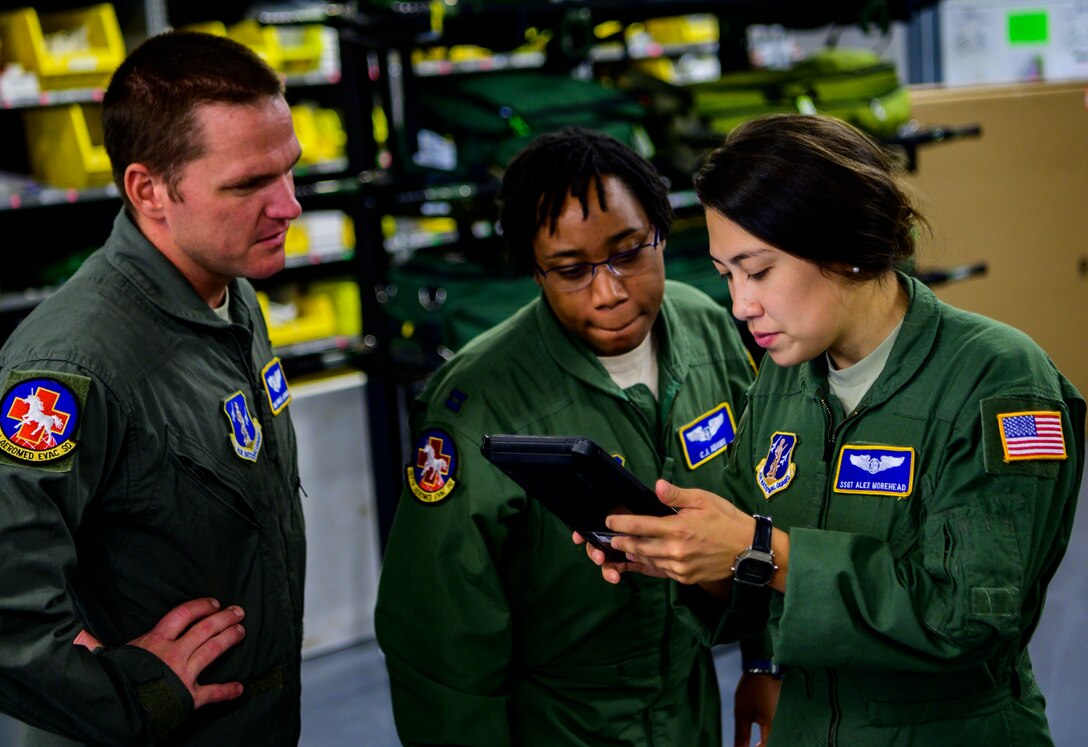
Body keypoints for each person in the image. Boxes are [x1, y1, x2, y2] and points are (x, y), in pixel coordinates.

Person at [580, 113, 1085, 746]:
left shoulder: (1000, 379)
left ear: (841, 248)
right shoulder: (785, 376)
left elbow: (970, 621)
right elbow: (752, 568)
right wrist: (682, 555)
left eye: (758, 271)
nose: (740, 305)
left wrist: (764, 551)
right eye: (725, 275)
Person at [375, 126, 776, 746]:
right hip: (560, 724)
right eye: (571, 270)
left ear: (662, 232)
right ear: (533, 271)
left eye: (629, 252)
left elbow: (764, 510)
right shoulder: (478, 402)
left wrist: (764, 660)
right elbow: (440, 641)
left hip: (691, 705)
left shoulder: (707, 329)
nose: (609, 291)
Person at [0, 32, 306, 745]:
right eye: (248, 184)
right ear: (149, 190)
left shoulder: (230, 292)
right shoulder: (70, 366)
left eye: (289, 170)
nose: (288, 206)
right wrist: (131, 694)